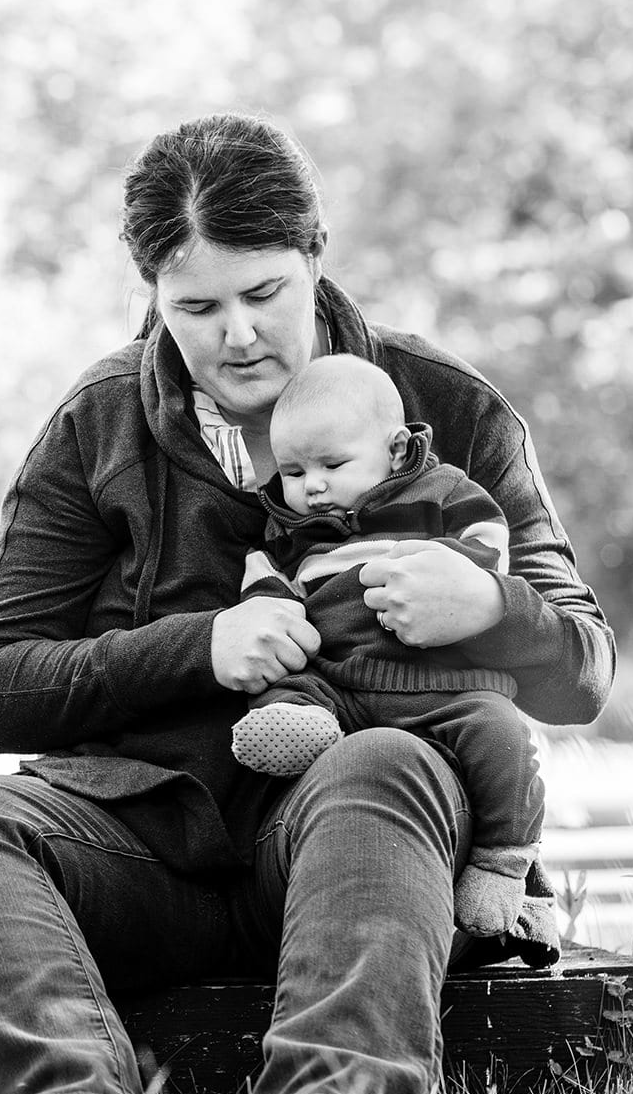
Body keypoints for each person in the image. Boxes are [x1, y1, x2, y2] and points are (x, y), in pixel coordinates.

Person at [0, 113, 613, 1094]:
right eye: (196, 308)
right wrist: (198, 646)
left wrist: (493, 607)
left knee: (385, 758)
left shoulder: (444, 408)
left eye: (263, 295)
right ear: (151, 298)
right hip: (139, 846)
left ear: (314, 258)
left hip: (361, 856)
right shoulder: (96, 424)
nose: (236, 336)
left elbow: (584, 671)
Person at [230, 353, 545, 938]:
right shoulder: (296, 531)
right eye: (294, 473)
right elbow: (266, 585)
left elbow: (487, 539)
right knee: (287, 687)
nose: (313, 486)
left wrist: (462, 580)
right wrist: (262, 612)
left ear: (396, 450)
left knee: (501, 735)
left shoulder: (440, 492)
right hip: (340, 682)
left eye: (333, 464)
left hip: (442, 684)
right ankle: (296, 727)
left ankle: (503, 863)